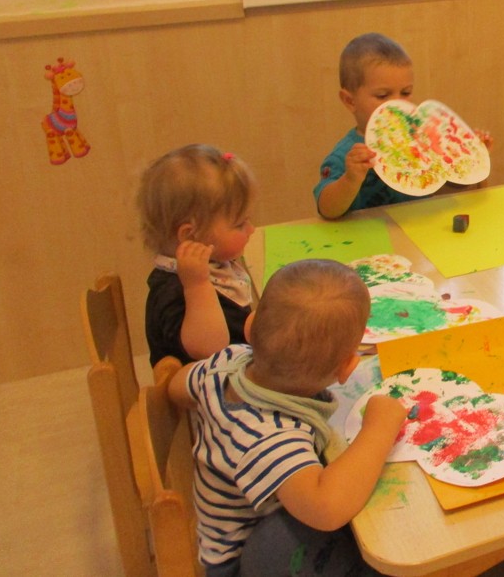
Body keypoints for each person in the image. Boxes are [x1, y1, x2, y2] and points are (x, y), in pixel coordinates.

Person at [168, 258, 408, 577]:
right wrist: (378, 428)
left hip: (238, 532)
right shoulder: (272, 436)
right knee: (382, 543)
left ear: (251, 326)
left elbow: (176, 387)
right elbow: (327, 508)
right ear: (347, 368)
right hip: (244, 562)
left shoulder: (226, 362)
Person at [138, 144, 256, 366]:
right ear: (191, 236)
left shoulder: (214, 264)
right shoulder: (176, 289)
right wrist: (197, 286)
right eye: (240, 224)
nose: (251, 230)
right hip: (208, 385)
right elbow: (210, 349)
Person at [315, 32, 419, 218]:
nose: (397, 104)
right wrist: (350, 179)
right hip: (370, 235)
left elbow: (442, 192)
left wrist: (465, 158)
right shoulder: (347, 156)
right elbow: (327, 209)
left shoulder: (419, 139)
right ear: (350, 101)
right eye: (382, 95)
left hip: (420, 228)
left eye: (405, 92)